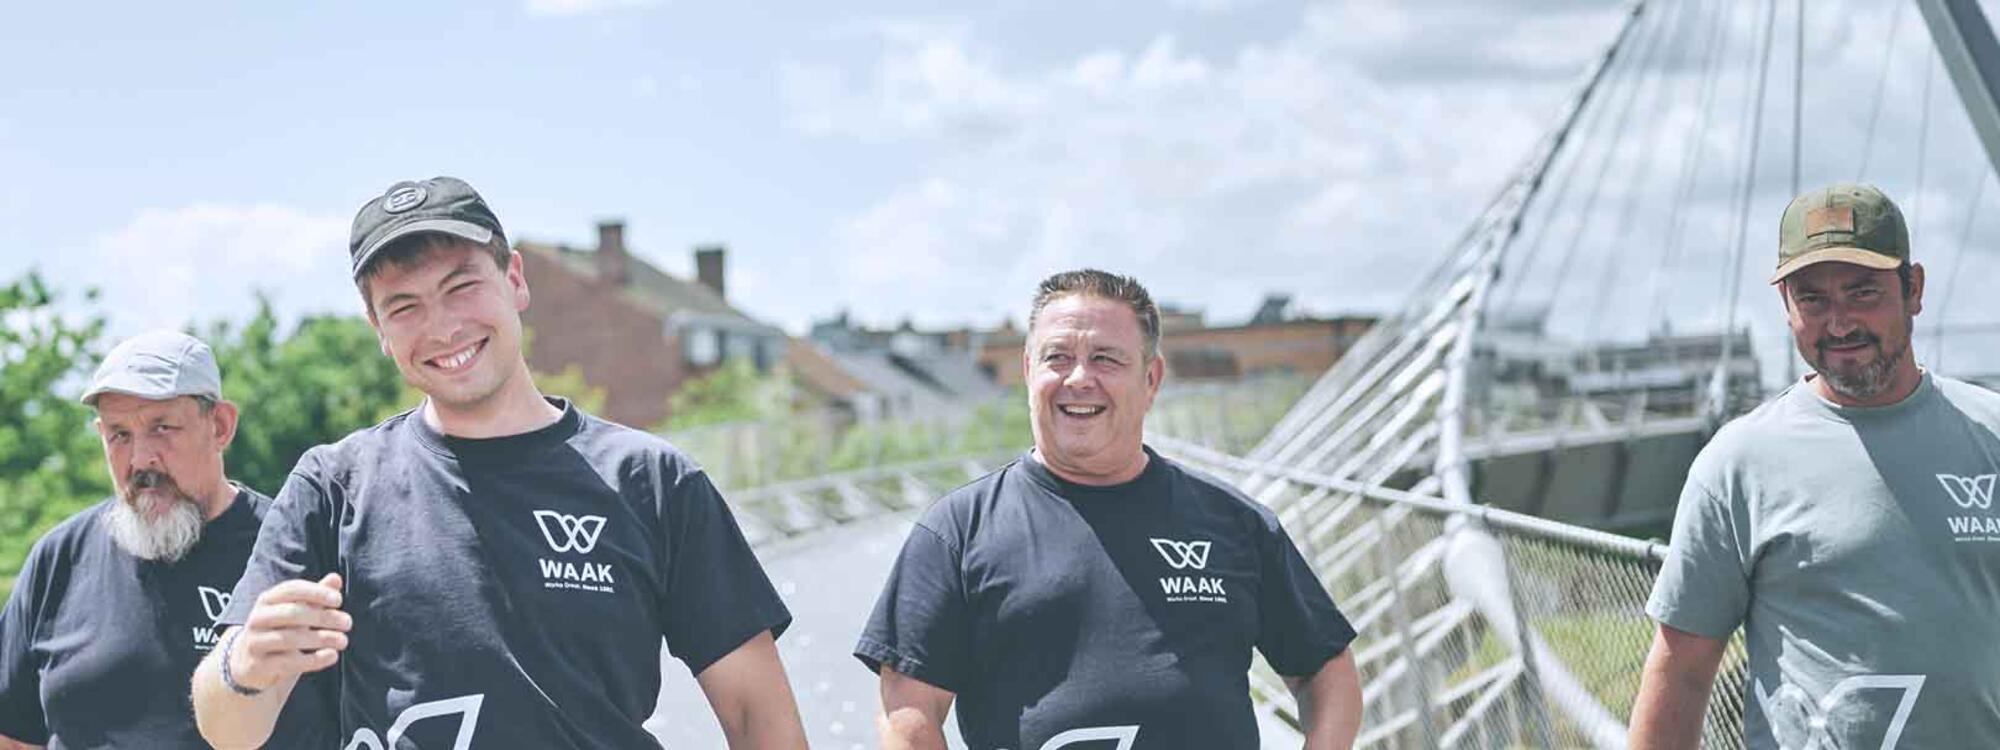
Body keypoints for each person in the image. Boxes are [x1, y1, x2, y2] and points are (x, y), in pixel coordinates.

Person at [190, 176, 806, 749]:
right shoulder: (334, 486)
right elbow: (228, 731)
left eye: (462, 287)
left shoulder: (652, 481)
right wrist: (243, 668)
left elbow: (758, 714)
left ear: (514, 279)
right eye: (403, 307)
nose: (442, 327)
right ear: (377, 327)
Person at [856, 269, 1363, 750]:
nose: (1079, 378)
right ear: (1029, 371)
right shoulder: (958, 531)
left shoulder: (1235, 522)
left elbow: (1326, 671)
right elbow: (909, 711)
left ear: (1151, 378)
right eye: (1057, 357)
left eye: (1106, 358)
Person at [1629, 183, 2000, 748]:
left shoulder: (1991, 434)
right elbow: (1681, 670)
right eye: (1813, 300)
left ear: (1914, 289)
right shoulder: (1736, 466)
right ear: (1785, 305)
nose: (1840, 324)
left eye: (1863, 293)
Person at [0, 331, 313, 747]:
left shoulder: (290, 550)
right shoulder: (59, 558)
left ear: (220, 425)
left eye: (161, 427)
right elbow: (14, 734)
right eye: (119, 435)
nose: (141, 458)